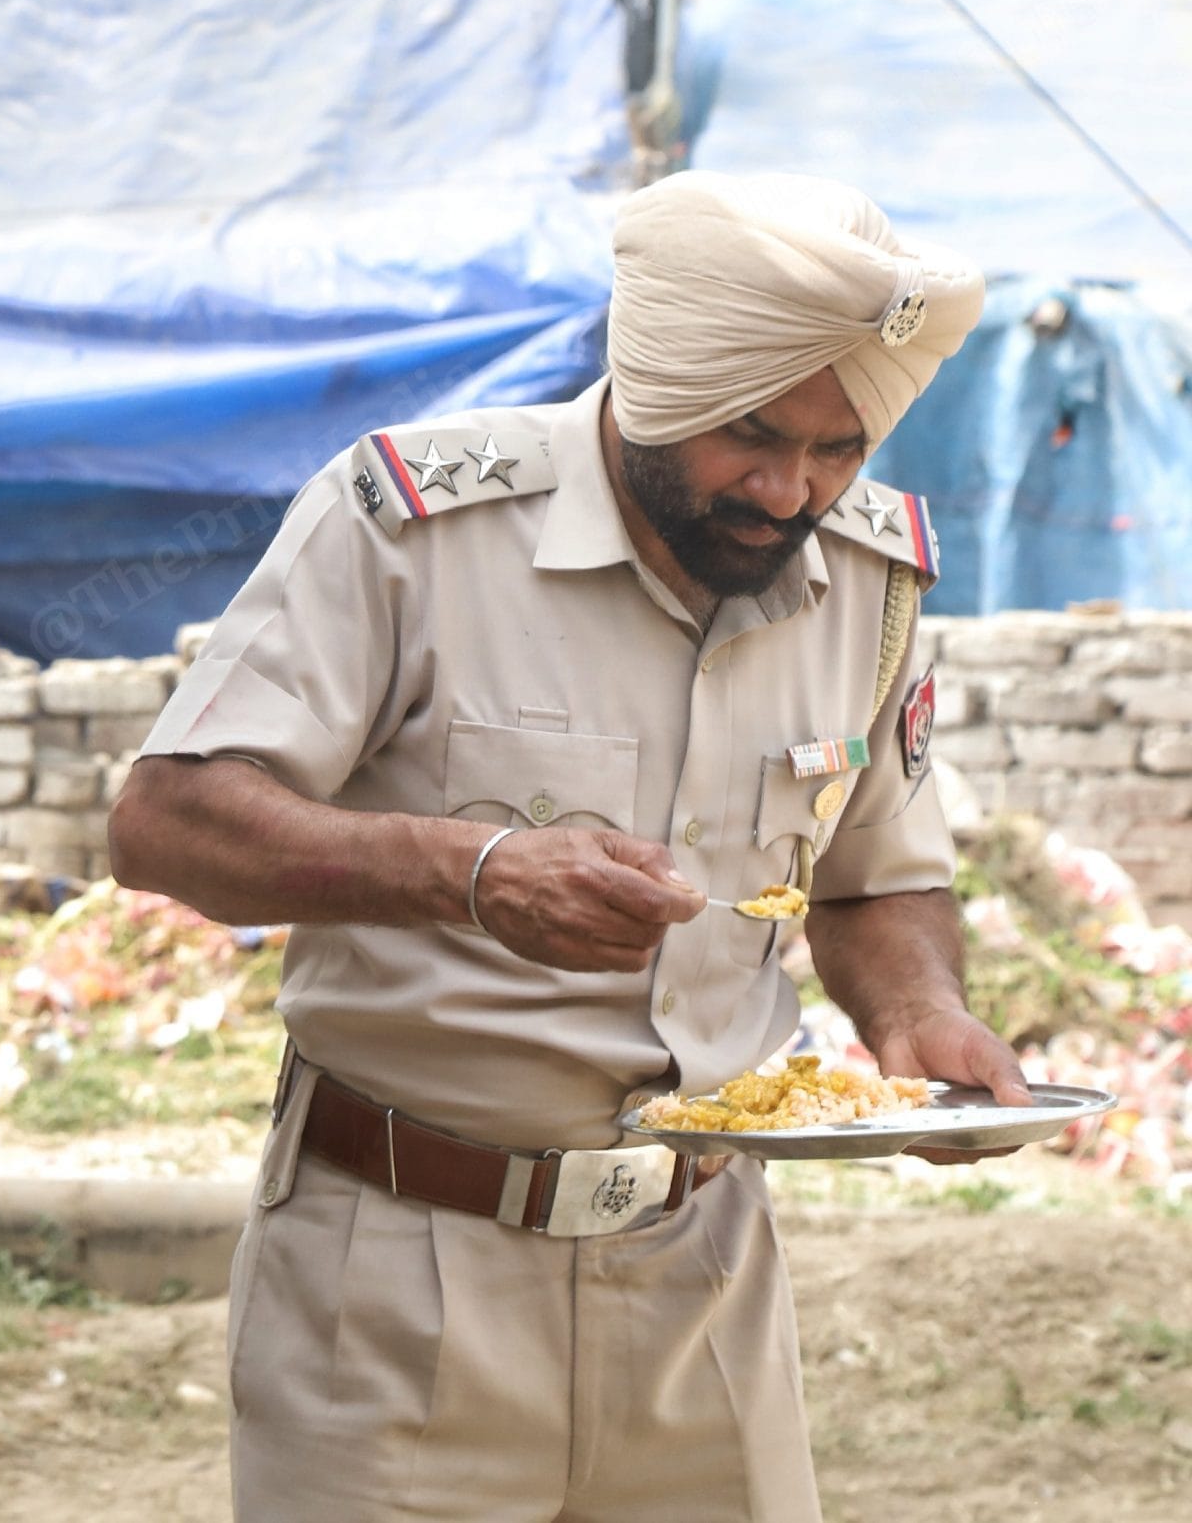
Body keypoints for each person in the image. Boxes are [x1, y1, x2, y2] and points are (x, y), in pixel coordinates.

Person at [109, 171, 1028, 1523]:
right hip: (400, 1266)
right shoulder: (413, 522)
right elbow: (165, 819)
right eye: (755, 436)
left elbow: (878, 871)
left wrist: (920, 1017)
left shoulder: (870, 575)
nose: (792, 490)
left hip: (704, 1264)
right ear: (651, 383)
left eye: (841, 450)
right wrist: (469, 875)